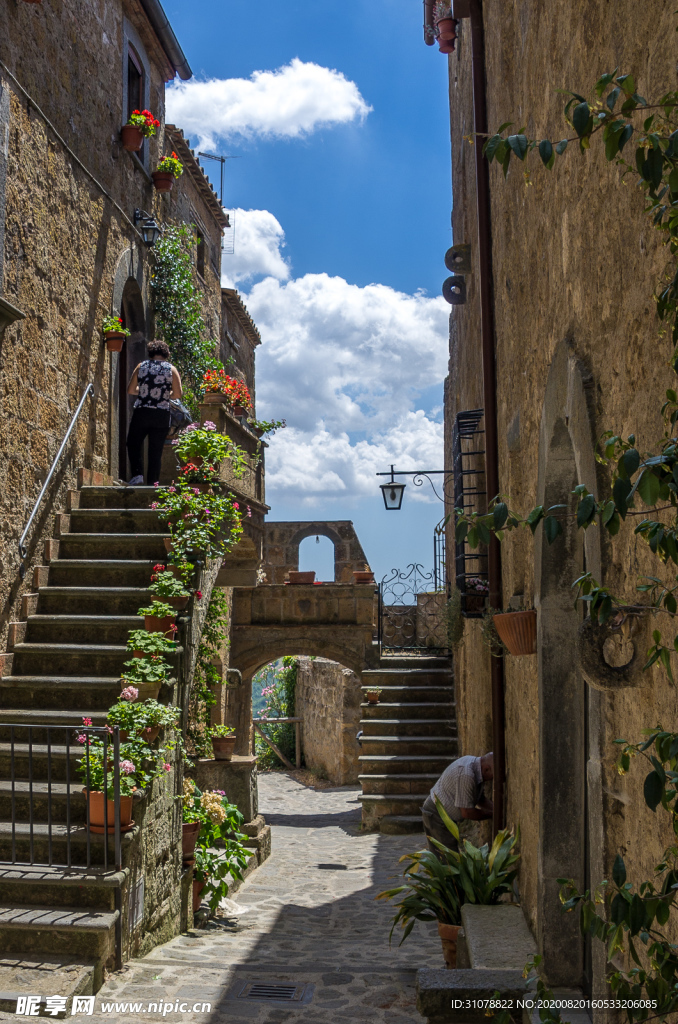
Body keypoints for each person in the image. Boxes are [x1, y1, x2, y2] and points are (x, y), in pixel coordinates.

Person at [126, 340, 182, 486]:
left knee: (133, 442)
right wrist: (163, 394)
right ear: (165, 354)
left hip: (142, 411)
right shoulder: (171, 369)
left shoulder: (141, 366)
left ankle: (137, 475)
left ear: (151, 352)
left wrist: (146, 392)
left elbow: (131, 390)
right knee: (155, 451)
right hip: (161, 414)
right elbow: (177, 394)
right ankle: (153, 483)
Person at [421, 752, 494, 852]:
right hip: (437, 816)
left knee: (447, 858)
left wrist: (495, 808)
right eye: (493, 776)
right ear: (486, 769)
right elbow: (467, 812)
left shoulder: (475, 766)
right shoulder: (466, 775)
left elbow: (480, 799)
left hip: (442, 815)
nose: (493, 779)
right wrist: (492, 814)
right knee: (448, 860)